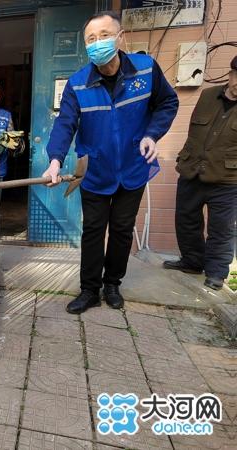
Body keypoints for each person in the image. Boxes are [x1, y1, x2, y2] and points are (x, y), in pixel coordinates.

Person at [42, 11, 179, 314]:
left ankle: (113, 284)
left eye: (104, 35)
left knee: (121, 228)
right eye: (91, 39)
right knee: (93, 229)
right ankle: (89, 289)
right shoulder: (78, 84)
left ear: (121, 37)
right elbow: (65, 124)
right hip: (95, 170)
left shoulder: (146, 70)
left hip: (133, 166)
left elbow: (168, 103)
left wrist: (152, 135)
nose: (97, 43)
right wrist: (54, 160)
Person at [163, 56, 237, 290]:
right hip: (192, 171)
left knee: (222, 228)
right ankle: (192, 261)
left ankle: (216, 273)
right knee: (186, 220)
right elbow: (194, 132)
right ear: (231, 74)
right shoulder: (207, 95)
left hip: (227, 179)